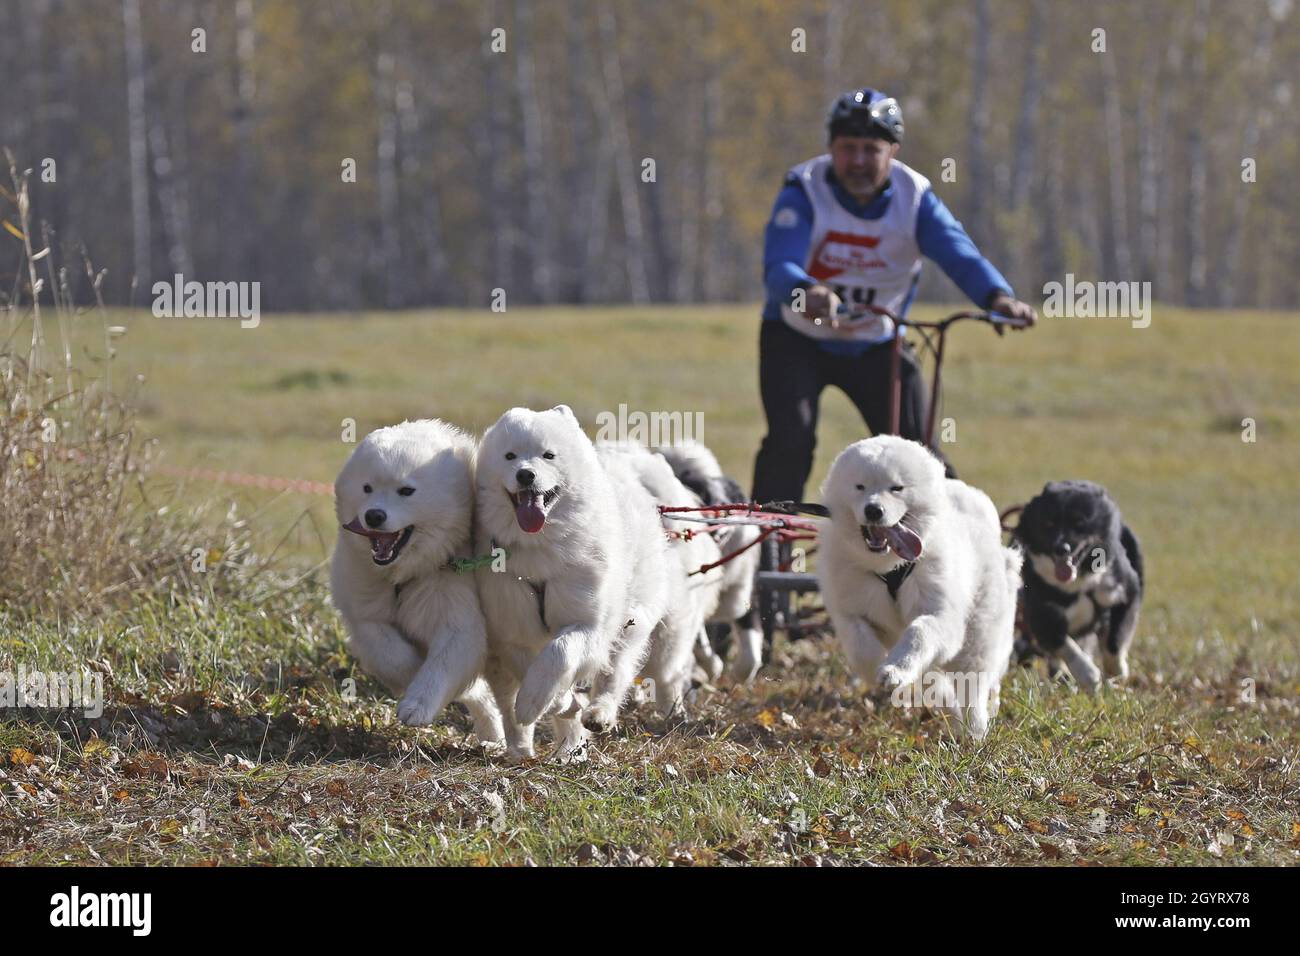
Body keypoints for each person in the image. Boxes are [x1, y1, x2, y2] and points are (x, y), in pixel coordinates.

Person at [752, 87, 1038, 505]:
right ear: (831, 148)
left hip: (877, 343)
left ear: (894, 151)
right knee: (790, 440)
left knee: (918, 452)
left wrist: (998, 298)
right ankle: (769, 547)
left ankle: (952, 543)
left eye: (872, 149)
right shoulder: (805, 190)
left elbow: (959, 254)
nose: (859, 162)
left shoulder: (915, 198)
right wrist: (806, 290)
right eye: (848, 148)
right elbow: (778, 266)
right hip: (797, 340)